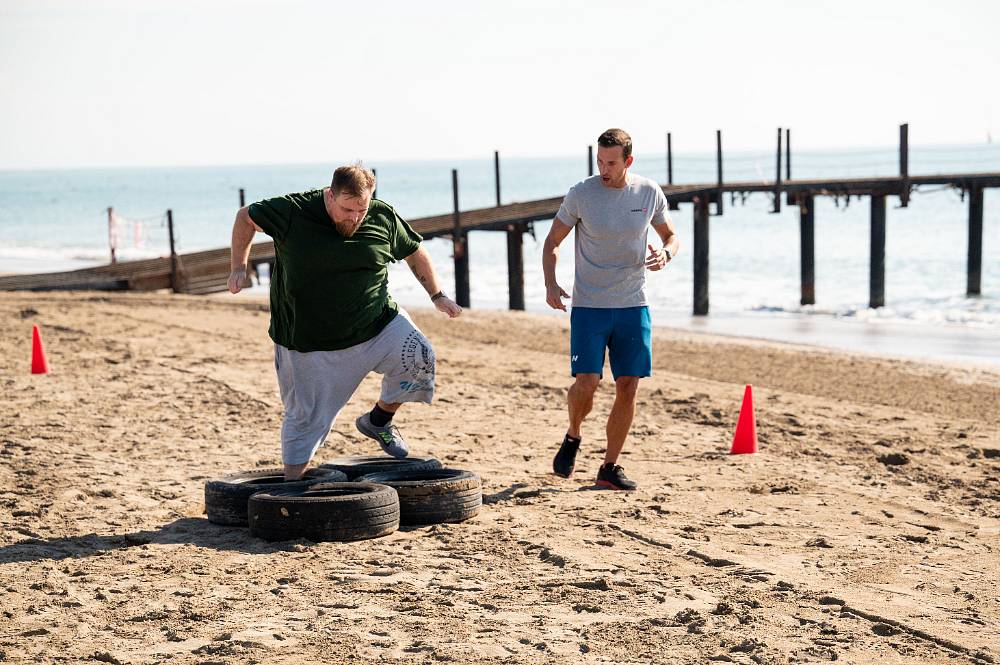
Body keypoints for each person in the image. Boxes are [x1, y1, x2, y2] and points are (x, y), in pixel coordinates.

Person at [228, 164, 462, 480]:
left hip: (377, 325)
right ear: (330, 195)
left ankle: (378, 421)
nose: (354, 217)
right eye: (346, 209)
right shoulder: (293, 211)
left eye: (361, 209)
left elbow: (415, 252)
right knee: (305, 423)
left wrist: (438, 296)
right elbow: (246, 217)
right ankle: (290, 492)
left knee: (419, 355)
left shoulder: (382, 216)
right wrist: (239, 266)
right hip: (311, 341)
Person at [542, 128, 679, 490]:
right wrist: (550, 283)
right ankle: (573, 434)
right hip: (589, 305)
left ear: (628, 161)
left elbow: (671, 235)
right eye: (600, 161)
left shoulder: (648, 192)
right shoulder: (581, 193)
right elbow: (552, 242)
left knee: (628, 385)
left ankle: (609, 466)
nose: (604, 169)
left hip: (634, 304)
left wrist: (666, 253)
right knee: (586, 384)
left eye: (611, 163)